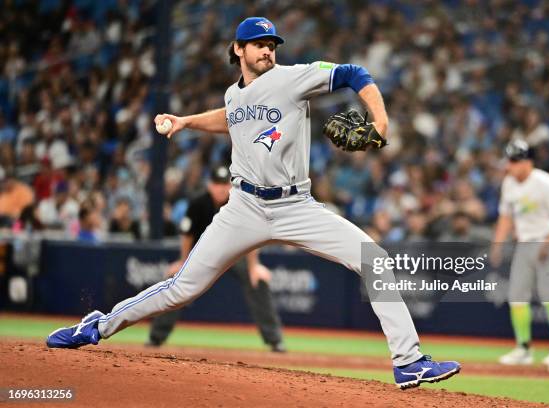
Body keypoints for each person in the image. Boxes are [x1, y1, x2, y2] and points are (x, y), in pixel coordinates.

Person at [46, 16, 460, 389]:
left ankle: (408, 362)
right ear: (237, 49)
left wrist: (380, 122)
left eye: (272, 44)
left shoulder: (293, 78)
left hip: (296, 206)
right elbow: (230, 117)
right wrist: (187, 121)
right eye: (259, 44)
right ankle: (98, 326)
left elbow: (354, 73)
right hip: (243, 207)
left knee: (374, 259)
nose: (268, 50)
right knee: (183, 289)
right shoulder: (233, 96)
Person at [147, 164, 286, 352]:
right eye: (216, 184)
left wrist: (254, 266)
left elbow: (252, 235)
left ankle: (275, 340)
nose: (221, 188)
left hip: (234, 254)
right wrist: (182, 262)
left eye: (224, 184)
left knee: (257, 280)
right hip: (202, 256)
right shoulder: (197, 204)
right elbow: (187, 236)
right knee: (176, 282)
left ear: (230, 186)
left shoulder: (240, 204)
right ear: (209, 185)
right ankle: (156, 337)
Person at [491, 139, 549, 366]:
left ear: (528, 161)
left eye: (515, 161)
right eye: (509, 161)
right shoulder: (509, 183)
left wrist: (548, 242)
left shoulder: (545, 183)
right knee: (517, 295)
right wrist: (497, 244)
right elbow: (505, 217)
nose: (510, 166)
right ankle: (523, 348)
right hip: (525, 243)